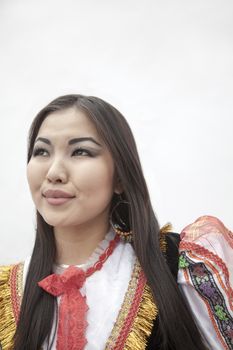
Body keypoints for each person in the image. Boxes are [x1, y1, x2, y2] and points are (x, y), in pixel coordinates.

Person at [0, 94, 232, 350]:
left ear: (120, 177)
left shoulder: (180, 267)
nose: (54, 173)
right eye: (41, 151)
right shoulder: (7, 292)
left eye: (80, 151)